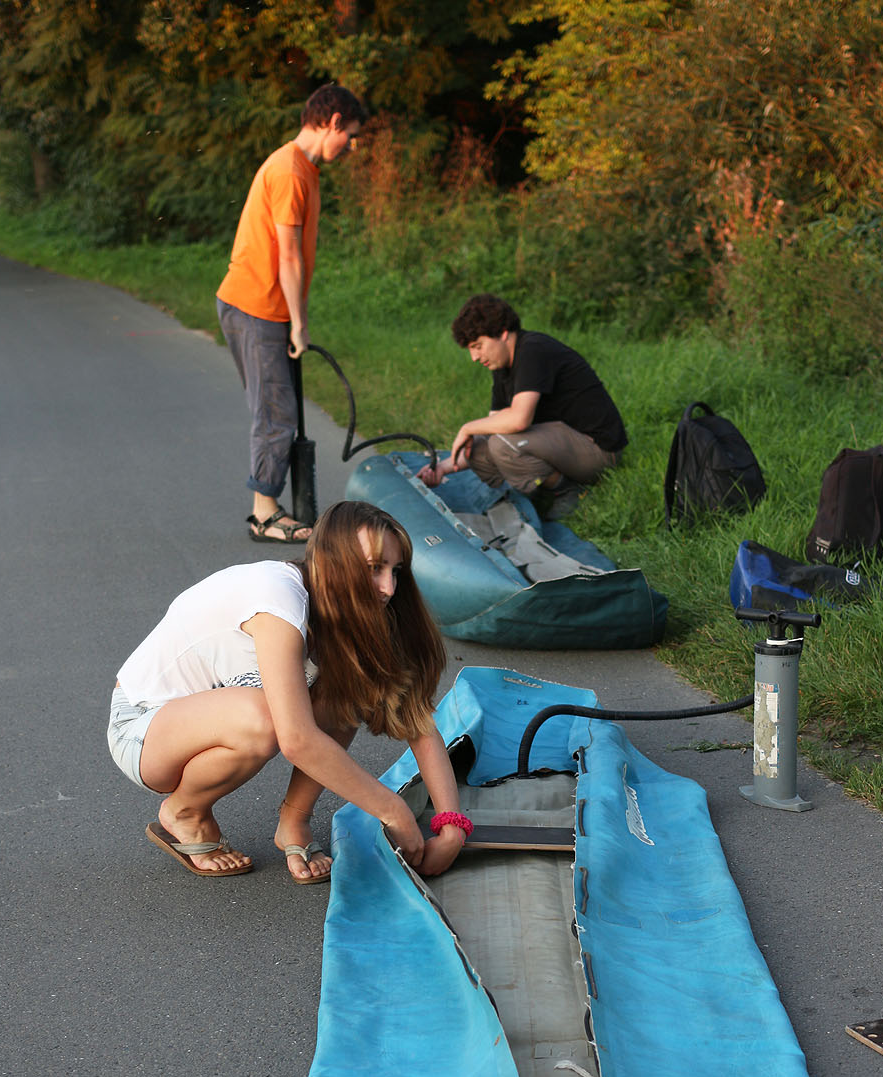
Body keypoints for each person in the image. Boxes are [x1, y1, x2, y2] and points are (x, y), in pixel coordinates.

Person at [107, 502, 470, 884]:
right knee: (263, 719)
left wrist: (452, 827)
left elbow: (416, 722)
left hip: (213, 717)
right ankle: (184, 813)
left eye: (395, 571)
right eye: (372, 569)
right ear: (332, 562)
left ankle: (293, 822)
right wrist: (392, 811)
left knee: (346, 692)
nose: (388, 588)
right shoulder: (278, 600)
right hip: (142, 729)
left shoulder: (359, 611)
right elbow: (296, 739)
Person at [217, 83, 367, 545]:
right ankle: (264, 515)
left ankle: (270, 505)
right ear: (333, 122)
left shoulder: (303, 168)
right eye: (352, 135)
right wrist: (298, 323)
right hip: (256, 305)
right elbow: (288, 256)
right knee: (276, 411)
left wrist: (294, 317)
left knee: (278, 407)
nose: (353, 145)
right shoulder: (288, 171)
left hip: (267, 307)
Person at [416, 293, 628, 519]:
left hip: (598, 451)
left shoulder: (533, 350)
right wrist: (442, 468)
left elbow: (519, 420)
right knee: (482, 445)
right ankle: (541, 486)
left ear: (503, 334)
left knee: (503, 444)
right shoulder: (502, 367)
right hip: (559, 444)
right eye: (470, 349)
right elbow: (492, 429)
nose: (474, 357)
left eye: (478, 346)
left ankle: (566, 490)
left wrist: (467, 428)